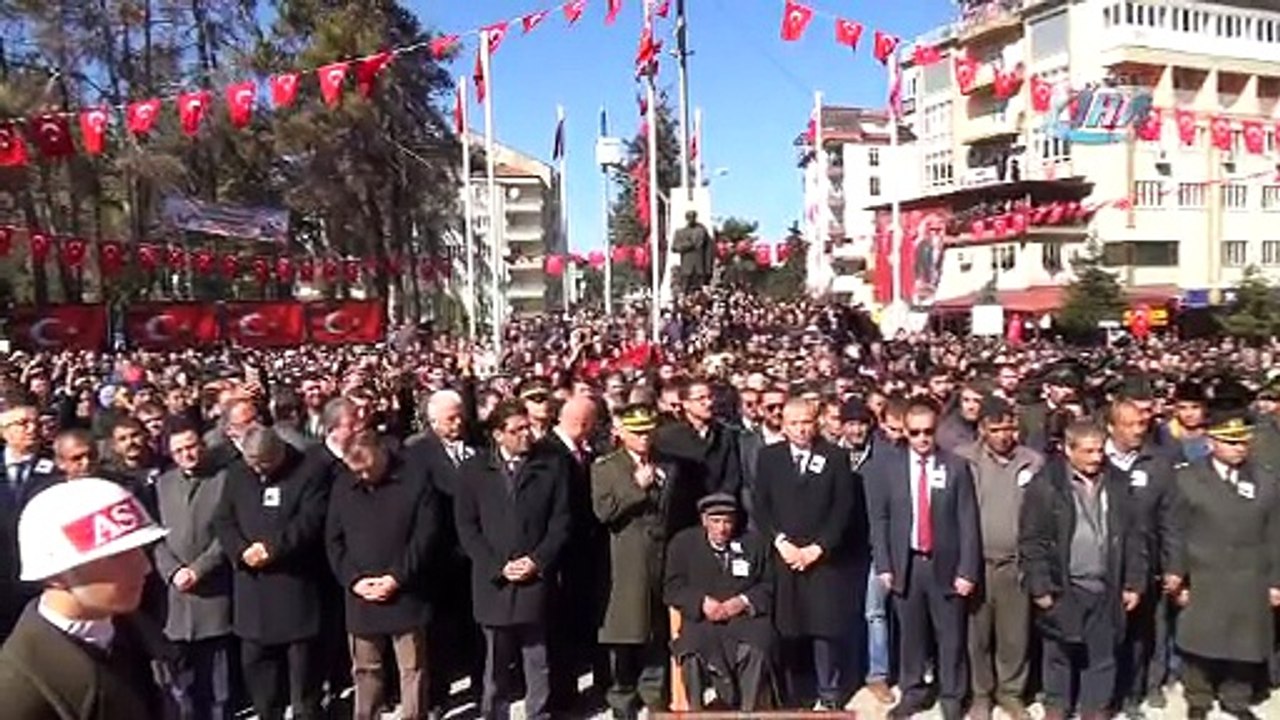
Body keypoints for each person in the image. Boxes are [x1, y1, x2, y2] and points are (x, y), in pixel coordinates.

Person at [0, 478, 174, 719]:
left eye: (140, 550)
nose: (145, 567)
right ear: (55, 575)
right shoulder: (18, 692)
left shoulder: (137, 634)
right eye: (116, 556)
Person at [1018, 420, 1147, 720]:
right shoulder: (1046, 485)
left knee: (1102, 656)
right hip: (1064, 585)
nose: (1095, 458)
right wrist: (1041, 588)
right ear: (1067, 450)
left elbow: (1135, 536)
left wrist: (1134, 582)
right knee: (1059, 656)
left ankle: (1095, 709)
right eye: (1087, 451)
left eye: (1099, 450)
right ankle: (1057, 707)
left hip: (1107, 585)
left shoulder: (1118, 482)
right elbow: (1031, 540)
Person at [1167, 385, 1279, 720]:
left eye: (1243, 441)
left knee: (1245, 638)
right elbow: (1176, 531)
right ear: (1211, 442)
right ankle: (1198, 696)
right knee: (1200, 637)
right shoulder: (1187, 479)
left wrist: (1277, 580)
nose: (1238, 448)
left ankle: (1236, 696)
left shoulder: (1266, 480)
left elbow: (1276, 531)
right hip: (1204, 572)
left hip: (1250, 572)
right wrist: (1178, 576)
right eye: (1230, 442)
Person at [455, 400, 570, 720]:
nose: (526, 435)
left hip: (535, 576)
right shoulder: (473, 470)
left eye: (528, 427)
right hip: (493, 580)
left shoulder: (551, 466)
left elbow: (561, 521)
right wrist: (495, 566)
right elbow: (467, 526)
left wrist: (538, 560)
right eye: (517, 430)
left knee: (537, 655)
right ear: (497, 434)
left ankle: (539, 712)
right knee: (495, 657)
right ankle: (495, 712)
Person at [869, 397, 981, 720]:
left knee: (951, 637)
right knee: (911, 636)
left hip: (945, 564)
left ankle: (952, 696)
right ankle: (913, 691)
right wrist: (885, 565)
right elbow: (881, 519)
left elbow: (968, 521)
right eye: (915, 432)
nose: (922, 439)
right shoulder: (888, 467)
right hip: (907, 563)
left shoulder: (956, 466)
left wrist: (967, 569)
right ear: (904, 431)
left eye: (928, 432)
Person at [213, 426, 330, 720]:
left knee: (304, 681)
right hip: (253, 593)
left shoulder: (309, 470)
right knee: (260, 676)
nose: (258, 469)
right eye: (252, 462)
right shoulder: (238, 474)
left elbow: (310, 520)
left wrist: (273, 548)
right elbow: (223, 519)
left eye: (263, 462)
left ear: (278, 451)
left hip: (294, 589)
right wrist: (241, 551)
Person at [754, 397, 858, 709]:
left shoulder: (836, 456)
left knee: (824, 628)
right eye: (794, 423)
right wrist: (781, 542)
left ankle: (829, 693)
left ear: (817, 423)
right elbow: (761, 506)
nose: (801, 429)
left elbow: (843, 508)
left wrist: (819, 548)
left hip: (822, 558)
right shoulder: (769, 457)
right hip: (784, 555)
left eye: (807, 422)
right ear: (783, 426)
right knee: (787, 626)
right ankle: (791, 694)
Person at [326, 429, 438, 720]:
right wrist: (354, 580)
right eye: (356, 472)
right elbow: (333, 541)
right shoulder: (343, 485)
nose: (362, 477)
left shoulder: (414, 479)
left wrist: (397, 577)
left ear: (380, 452)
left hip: (405, 591)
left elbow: (425, 536)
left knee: (412, 669)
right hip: (361, 595)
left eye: (367, 469)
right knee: (366, 670)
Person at [591, 403, 685, 719]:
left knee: (656, 633)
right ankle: (622, 700)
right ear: (621, 433)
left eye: (648, 431)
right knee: (624, 634)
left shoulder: (668, 465)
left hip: (660, 559)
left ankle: (654, 697)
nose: (644, 438)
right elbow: (604, 511)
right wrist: (637, 487)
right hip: (624, 562)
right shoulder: (605, 467)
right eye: (637, 432)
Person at [956, 398, 1043, 720]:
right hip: (977, 564)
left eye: (1009, 428)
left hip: (1015, 565)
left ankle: (1011, 693)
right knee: (976, 636)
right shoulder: (964, 459)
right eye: (996, 429)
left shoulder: (1032, 462)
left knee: (1014, 636)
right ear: (982, 429)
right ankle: (981, 694)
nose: (1004, 435)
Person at [664, 493, 776, 711]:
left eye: (727, 521)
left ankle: (748, 711)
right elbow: (672, 588)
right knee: (691, 650)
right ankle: (695, 712)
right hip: (702, 620)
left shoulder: (753, 544)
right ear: (704, 520)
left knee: (759, 646)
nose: (722, 528)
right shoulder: (683, 544)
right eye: (715, 521)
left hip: (742, 620)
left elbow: (768, 586)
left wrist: (743, 601)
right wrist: (701, 602)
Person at [153, 422, 234, 720]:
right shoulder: (163, 484)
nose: (187, 454)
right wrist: (172, 571)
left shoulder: (224, 480)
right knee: (182, 688)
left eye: (191, 446)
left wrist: (199, 569)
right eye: (179, 450)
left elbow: (227, 535)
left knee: (218, 687)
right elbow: (155, 537)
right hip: (176, 599)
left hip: (212, 595)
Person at [671, 210, 714, 293]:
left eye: (693, 217)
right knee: (685, 291)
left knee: (700, 294)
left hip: (700, 268)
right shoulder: (680, 232)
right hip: (686, 268)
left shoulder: (702, 231)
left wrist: (708, 269)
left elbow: (709, 250)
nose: (691, 219)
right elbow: (674, 248)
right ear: (686, 218)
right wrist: (688, 245)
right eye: (689, 217)